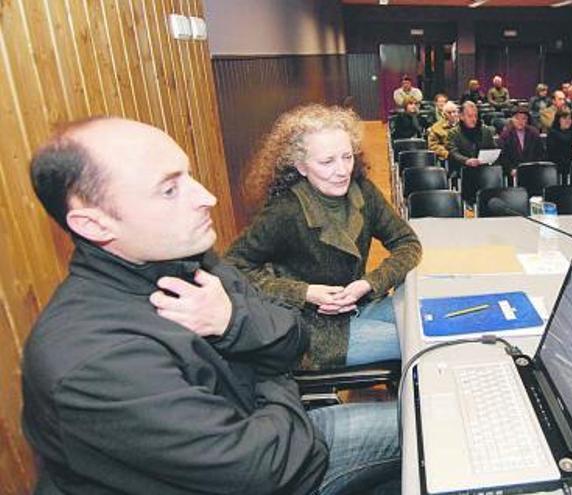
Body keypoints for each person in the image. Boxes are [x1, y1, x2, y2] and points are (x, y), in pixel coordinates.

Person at [23, 117, 400, 495]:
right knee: (435, 433)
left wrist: (235, 324)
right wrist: (269, 370)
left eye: (188, 175)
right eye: (169, 189)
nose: (207, 196)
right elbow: (261, 470)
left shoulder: (190, 259)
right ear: (95, 224)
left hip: (285, 436)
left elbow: (295, 336)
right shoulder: (92, 360)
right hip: (287, 460)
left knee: (437, 429)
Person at [228, 104, 421, 371]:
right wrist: (304, 292)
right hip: (312, 330)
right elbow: (233, 267)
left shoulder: (363, 190)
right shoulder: (285, 210)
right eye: (327, 162)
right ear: (301, 167)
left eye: (347, 156)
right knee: (420, 344)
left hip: (359, 305)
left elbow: (408, 244)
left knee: (425, 323)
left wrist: (369, 283)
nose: (342, 170)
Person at [497, 105, 545, 181]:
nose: (520, 121)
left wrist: (535, 167)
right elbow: (503, 157)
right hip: (513, 173)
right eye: (517, 118)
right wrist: (510, 170)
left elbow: (540, 153)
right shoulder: (505, 135)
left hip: (533, 171)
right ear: (512, 119)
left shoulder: (534, 133)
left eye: (523, 119)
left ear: (527, 120)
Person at [446, 101, 496, 173]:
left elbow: (492, 148)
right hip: (462, 169)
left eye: (475, 116)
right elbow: (453, 153)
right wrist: (466, 161)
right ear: (461, 117)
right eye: (470, 116)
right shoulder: (453, 133)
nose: (473, 119)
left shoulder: (486, 131)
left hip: (484, 169)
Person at [547, 108, 572, 184]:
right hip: (559, 168)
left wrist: (568, 148)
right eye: (564, 118)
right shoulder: (552, 133)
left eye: (570, 118)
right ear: (558, 119)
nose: (567, 121)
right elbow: (554, 153)